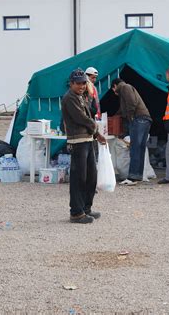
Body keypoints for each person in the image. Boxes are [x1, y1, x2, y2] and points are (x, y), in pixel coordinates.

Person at [62, 68, 106, 224]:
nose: (81, 86)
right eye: (78, 83)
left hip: (87, 139)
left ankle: (86, 208)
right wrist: (96, 129)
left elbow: (88, 114)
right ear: (71, 83)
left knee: (90, 177)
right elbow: (82, 118)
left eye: (83, 83)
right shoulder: (69, 98)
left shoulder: (80, 97)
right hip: (77, 141)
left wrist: (95, 134)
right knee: (78, 178)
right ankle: (76, 212)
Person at [111, 78, 152, 184]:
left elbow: (132, 104)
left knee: (135, 148)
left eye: (113, 89)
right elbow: (122, 109)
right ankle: (138, 175)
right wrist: (114, 117)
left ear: (115, 86)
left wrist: (131, 118)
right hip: (145, 119)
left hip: (139, 119)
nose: (114, 92)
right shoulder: (126, 88)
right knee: (140, 148)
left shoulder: (125, 87)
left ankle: (132, 177)